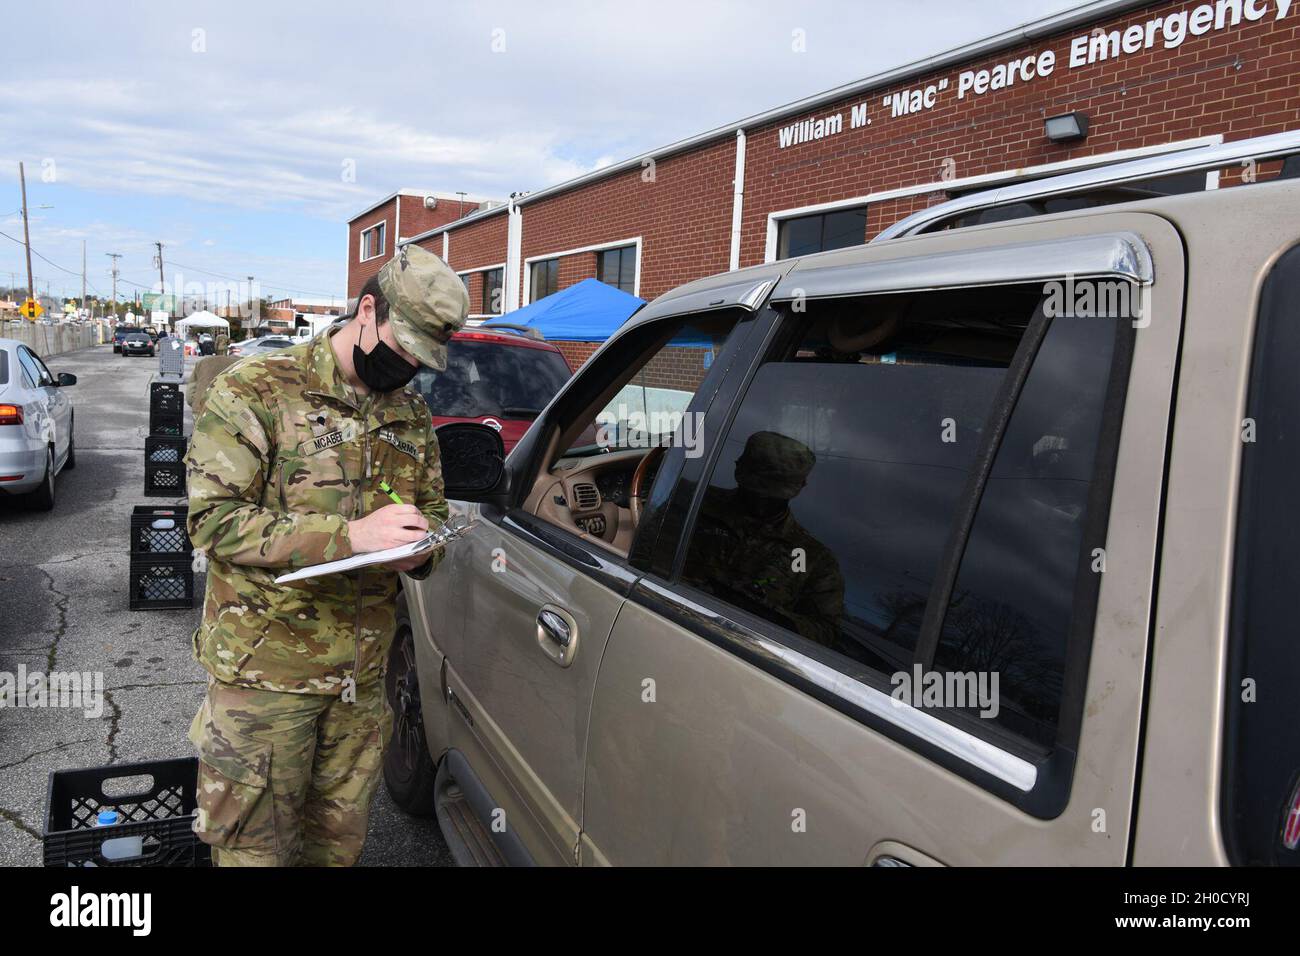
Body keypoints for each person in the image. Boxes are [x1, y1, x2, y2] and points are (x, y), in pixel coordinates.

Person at [183, 243, 469, 866]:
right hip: (267, 683)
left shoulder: (410, 414)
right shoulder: (256, 390)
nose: (407, 370)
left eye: (421, 361)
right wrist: (351, 537)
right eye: (401, 350)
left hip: (359, 686)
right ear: (366, 311)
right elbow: (214, 522)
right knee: (254, 853)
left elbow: (434, 514)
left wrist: (419, 552)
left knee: (335, 852)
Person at [683, 430, 845, 649]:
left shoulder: (815, 559)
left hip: (749, 653)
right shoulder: (691, 502)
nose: (761, 500)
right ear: (738, 467)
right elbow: (648, 555)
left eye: (773, 495)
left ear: (800, 487)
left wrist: (769, 614)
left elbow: (827, 632)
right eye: (754, 491)